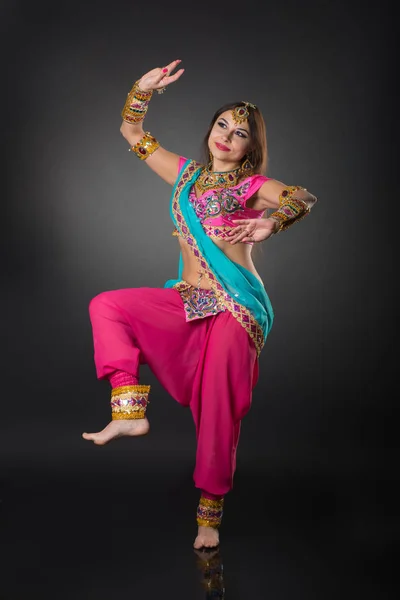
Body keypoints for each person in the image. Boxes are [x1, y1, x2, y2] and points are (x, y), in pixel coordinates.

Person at [82, 59, 318, 550]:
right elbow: (132, 132)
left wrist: (274, 221)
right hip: (187, 299)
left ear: (252, 147)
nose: (227, 137)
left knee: (218, 409)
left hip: (235, 308)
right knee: (108, 306)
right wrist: (140, 89)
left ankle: (209, 516)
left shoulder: (252, 187)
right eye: (222, 125)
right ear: (211, 129)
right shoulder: (186, 174)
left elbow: (303, 196)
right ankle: (129, 412)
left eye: (241, 133)